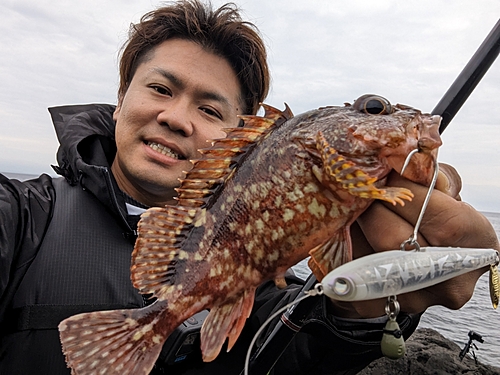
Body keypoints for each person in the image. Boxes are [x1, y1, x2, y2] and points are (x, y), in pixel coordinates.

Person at [0, 1, 497, 374]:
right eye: (160, 89)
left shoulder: (262, 289)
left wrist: (360, 308)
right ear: (119, 100)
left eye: (210, 110)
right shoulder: (21, 215)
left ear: (237, 136)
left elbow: (296, 350)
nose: (174, 118)